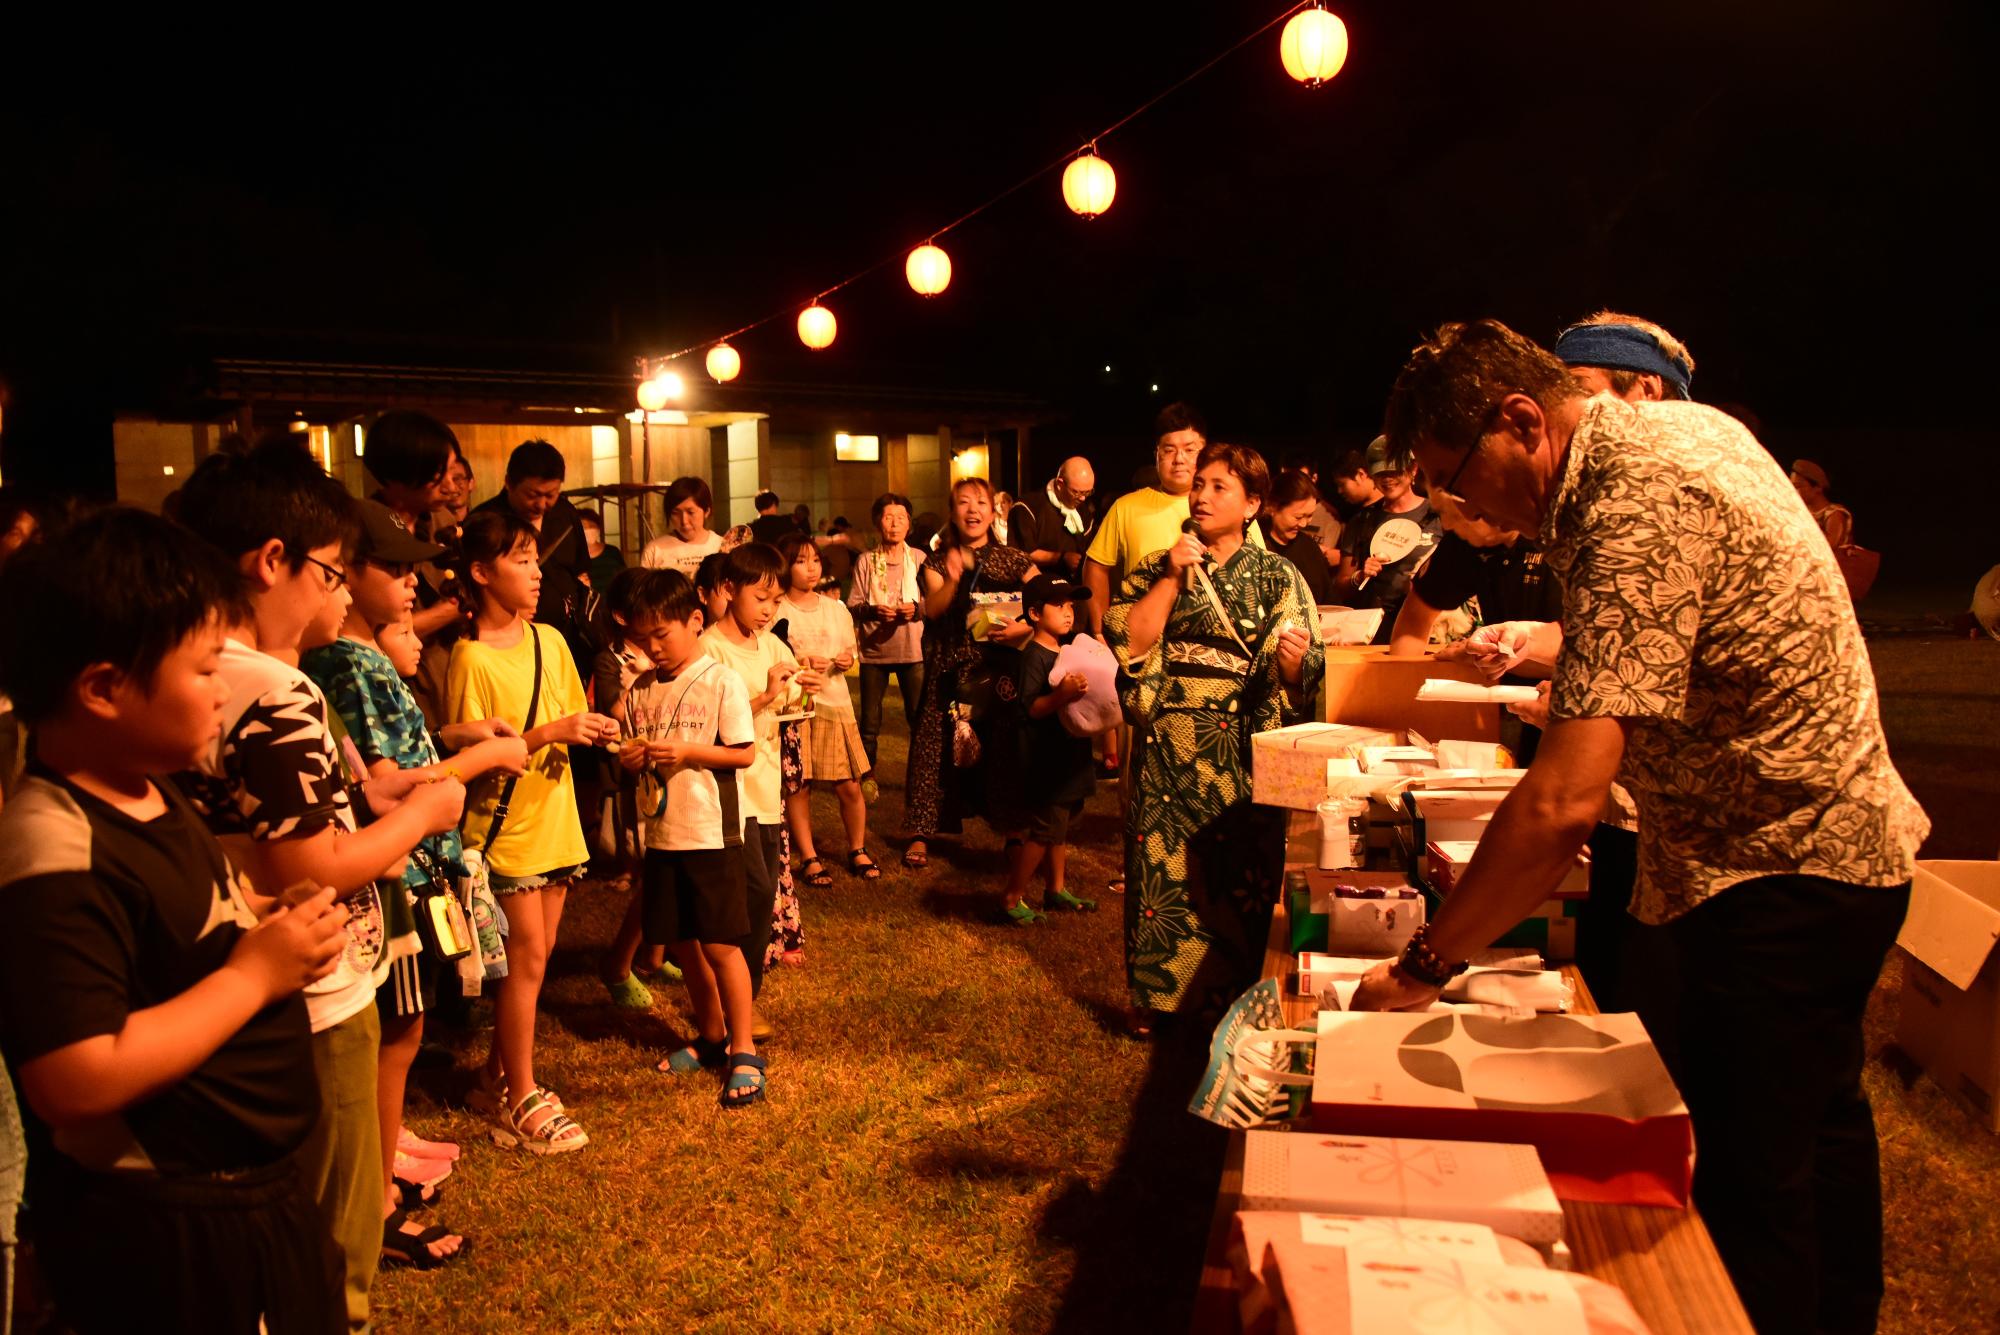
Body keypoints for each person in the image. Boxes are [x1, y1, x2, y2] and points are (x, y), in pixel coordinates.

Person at [1354, 318, 1928, 1335]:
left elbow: (1563, 798)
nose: (1464, 510)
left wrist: (1427, 961)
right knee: (1817, 1132)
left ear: (1520, 420)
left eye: (1458, 476)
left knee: (1750, 1193)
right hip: (1834, 849)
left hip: (1773, 868)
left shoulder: (1630, 501)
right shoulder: (1676, 436)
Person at [0, 509, 350, 1335]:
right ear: (102, 687)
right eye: (202, 668)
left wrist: (262, 917)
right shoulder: (52, 840)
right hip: (165, 1220)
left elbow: (180, 930)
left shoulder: (149, 787)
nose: (223, 688)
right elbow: (75, 1076)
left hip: (249, 1196)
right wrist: (252, 974)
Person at [173, 440, 467, 1332]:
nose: (340, 592)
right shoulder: (272, 688)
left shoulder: (183, 676)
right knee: (334, 1233)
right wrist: (424, 815)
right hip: (318, 986)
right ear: (272, 560)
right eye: (333, 572)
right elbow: (315, 865)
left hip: (224, 977)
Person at [302, 503, 527, 1271]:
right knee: (395, 1032)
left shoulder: (357, 658)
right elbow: (390, 781)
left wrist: (455, 742)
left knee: (399, 1028)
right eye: (389, 569)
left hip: (395, 857)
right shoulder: (349, 664)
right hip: (390, 864)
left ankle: (382, 1173)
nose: (409, 583)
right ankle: (378, 1194)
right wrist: (472, 765)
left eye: (410, 569)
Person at [1105, 443, 1323, 1036]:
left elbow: (1310, 666)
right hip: (1172, 739)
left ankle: (1236, 991)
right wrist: (1174, 575)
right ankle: (1155, 999)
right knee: (1160, 870)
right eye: (1198, 484)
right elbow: (1132, 644)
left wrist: (1296, 666)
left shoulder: (1279, 575)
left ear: (1252, 503)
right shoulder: (1157, 564)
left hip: (1243, 740)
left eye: (1219, 486)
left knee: (1241, 869)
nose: (1201, 495)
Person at [447, 509, 619, 1156]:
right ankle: (519, 1094)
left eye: (534, 557)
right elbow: (478, 757)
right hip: (508, 830)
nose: (536, 571)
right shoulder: (469, 658)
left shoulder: (550, 638)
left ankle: (495, 1075)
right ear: (481, 572)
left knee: (536, 962)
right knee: (524, 967)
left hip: (556, 823)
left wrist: (590, 727)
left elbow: (571, 710)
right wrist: (551, 733)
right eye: (520, 559)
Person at [609, 570, 768, 1107]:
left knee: (722, 945)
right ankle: (711, 1036)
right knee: (683, 944)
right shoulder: (640, 690)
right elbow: (634, 755)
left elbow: (742, 752)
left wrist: (689, 752)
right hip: (663, 834)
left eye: (663, 635)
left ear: (695, 621)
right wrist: (631, 758)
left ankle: (744, 1049)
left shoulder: (719, 680)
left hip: (711, 833)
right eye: (643, 638)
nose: (653, 648)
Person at [701, 544, 821, 1003]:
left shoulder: (770, 643)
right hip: (731, 797)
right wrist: (767, 696)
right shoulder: (710, 648)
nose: (769, 610)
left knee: (762, 895)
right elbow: (711, 724)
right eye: (761, 599)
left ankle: (746, 997)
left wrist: (802, 691)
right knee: (744, 898)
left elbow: (789, 711)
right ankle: (734, 1001)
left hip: (766, 789)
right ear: (729, 590)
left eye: (775, 601)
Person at [903, 478, 1035, 870]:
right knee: (932, 749)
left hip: (998, 668)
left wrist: (1023, 626)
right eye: (964, 502)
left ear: (993, 511)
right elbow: (934, 607)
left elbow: (1044, 601)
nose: (973, 509)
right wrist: (956, 578)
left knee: (1003, 750)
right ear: (953, 511)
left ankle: (1012, 832)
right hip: (949, 668)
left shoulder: (1014, 558)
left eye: (981, 502)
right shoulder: (938, 562)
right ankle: (920, 833)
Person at [594, 568, 688, 1009]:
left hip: (671, 777)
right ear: (623, 616)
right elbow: (618, 712)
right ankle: (620, 963)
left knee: (667, 874)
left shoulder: (671, 654)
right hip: (640, 780)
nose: (654, 636)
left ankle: (653, 954)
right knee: (654, 875)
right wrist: (641, 678)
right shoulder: (612, 659)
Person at [993, 574, 1100, 925]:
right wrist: (1062, 695)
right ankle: (1011, 897)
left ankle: (1056, 889)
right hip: (1046, 758)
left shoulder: (1065, 650)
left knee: (1060, 826)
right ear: (1036, 614)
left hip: (1068, 755)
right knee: (1043, 830)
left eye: (1072, 606)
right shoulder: (1034, 657)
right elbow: (1031, 708)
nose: (1069, 613)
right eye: (1059, 606)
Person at [776, 533, 879, 886]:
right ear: (786, 565)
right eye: (801, 560)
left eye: (815, 560)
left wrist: (846, 660)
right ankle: (809, 856)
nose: (810, 568)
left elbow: (849, 652)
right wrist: (801, 661)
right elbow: (772, 655)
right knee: (798, 785)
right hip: (796, 706)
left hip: (835, 702)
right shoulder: (776, 608)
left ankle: (857, 848)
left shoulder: (836, 608)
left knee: (849, 783)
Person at [469, 440, 594, 667]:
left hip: (566, 642)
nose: (542, 504)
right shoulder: (487, 522)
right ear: (509, 483)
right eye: (533, 494)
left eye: (551, 494)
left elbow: (580, 569)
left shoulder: (565, 513)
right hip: (509, 645)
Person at [363, 411, 463, 642]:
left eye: (452, 471)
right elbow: (372, 632)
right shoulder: (366, 531)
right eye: (437, 475)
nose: (450, 487)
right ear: (397, 475)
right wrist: (449, 610)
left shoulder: (443, 521)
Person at [847, 493, 926, 785]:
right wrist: (872, 610)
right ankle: (867, 778)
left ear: (909, 524)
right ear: (878, 522)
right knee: (869, 724)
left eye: (901, 517)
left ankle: (920, 779)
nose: (894, 523)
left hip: (912, 651)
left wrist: (917, 610)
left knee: (917, 721)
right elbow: (853, 605)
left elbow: (935, 604)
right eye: (888, 517)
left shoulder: (919, 559)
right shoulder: (867, 561)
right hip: (874, 652)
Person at [1330, 437, 1441, 637]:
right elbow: (1340, 586)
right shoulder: (1361, 521)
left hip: (1427, 631)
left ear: (1413, 469)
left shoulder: (1438, 515)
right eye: (1381, 473)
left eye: (1395, 471)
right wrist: (1360, 576)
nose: (1388, 479)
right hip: (1372, 633)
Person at [1007, 456, 1099, 579]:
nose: (1083, 498)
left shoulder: (1084, 511)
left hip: (1072, 588)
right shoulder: (1028, 507)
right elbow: (1021, 554)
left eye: (1088, 492)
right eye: (1077, 492)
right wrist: (1061, 557)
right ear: (1060, 484)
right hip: (1036, 587)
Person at [1259, 469, 1336, 604]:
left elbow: (1330, 599)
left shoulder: (1310, 547)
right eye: (1298, 517)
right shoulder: (1257, 547)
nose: (1304, 524)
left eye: (1310, 516)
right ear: (1273, 507)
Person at [640, 475, 725, 578]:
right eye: (675, 513)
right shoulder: (655, 550)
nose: (684, 521)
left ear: (706, 511)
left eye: (691, 512)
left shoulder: (722, 547)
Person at [1789, 459, 1854, 548]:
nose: (1793, 491)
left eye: (1798, 486)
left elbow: (1829, 546)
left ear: (1817, 487)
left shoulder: (1834, 514)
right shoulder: (1800, 512)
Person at [578, 507, 624, 593]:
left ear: (598, 528)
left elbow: (624, 580)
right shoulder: (571, 558)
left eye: (592, 526)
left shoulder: (613, 552)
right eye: (584, 527)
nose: (588, 530)